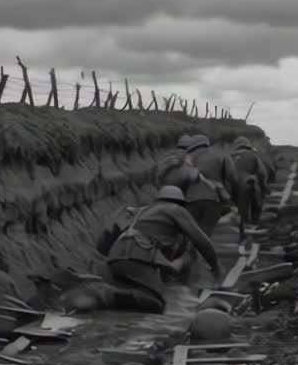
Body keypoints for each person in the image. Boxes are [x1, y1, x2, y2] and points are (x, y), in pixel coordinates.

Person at [105, 185, 221, 313]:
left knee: (143, 294)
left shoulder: (143, 211)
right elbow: (200, 240)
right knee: (156, 303)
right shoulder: (175, 210)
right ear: (180, 203)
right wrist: (215, 266)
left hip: (115, 258)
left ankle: (115, 298)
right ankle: (109, 296)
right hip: (135, 258)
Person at [183, 134, 239, 238]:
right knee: (206, 235)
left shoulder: (187, 158)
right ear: (207, 143)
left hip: (189, 201)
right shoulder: (220, 154)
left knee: (191, 234)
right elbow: (232, 177)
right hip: (212, 199)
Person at [231, 136, 272, 241]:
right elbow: (262, 173)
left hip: (230, 187)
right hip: (247, 185)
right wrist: (264, 187)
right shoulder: (253, 156)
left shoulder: (230, 156)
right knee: (256, 204)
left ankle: (237, 234)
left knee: (236, 211)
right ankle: (252, 228)